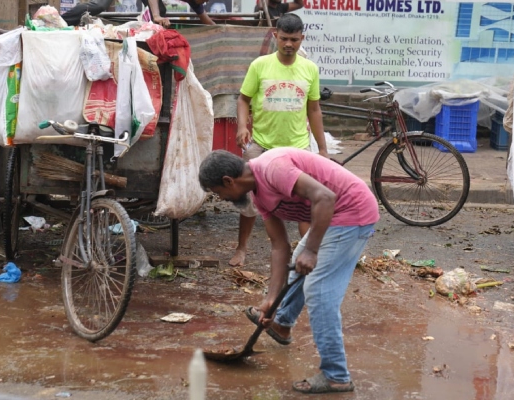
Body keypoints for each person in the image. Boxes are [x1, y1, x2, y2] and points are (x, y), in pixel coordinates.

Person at [199, 148, 378, 394]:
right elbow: (279, 246)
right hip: (332, 216)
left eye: (219, 193)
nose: (221, 199)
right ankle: (281, 323)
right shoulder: (258, 195)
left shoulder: (273, 169)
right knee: (297, 260)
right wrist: (270, 299)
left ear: (229, 181)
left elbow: (325, 197)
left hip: (351, 211)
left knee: (319, 291)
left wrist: (312, 251)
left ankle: (336, 376)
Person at [231, 13, 327, 267]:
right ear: (275, 36)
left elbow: (314, 110)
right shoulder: (259, 65)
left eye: (294, 40)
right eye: (284, 38)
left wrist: (323, 150)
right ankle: (241, 249)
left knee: (305, 202)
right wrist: (243, 126)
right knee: (249, 199)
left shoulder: (310, 69)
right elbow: (243, 99)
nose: (288, 44)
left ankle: (309, 254)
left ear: (302, 39)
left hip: (298, 149)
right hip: (261, 145)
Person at [61, 0, 215, 27]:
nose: (205, 2)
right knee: (100, 5)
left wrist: (224, 28)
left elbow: (207, 21)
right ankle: (61, 20)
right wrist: (155, 16)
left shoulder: (196, 2)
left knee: (161, 12)